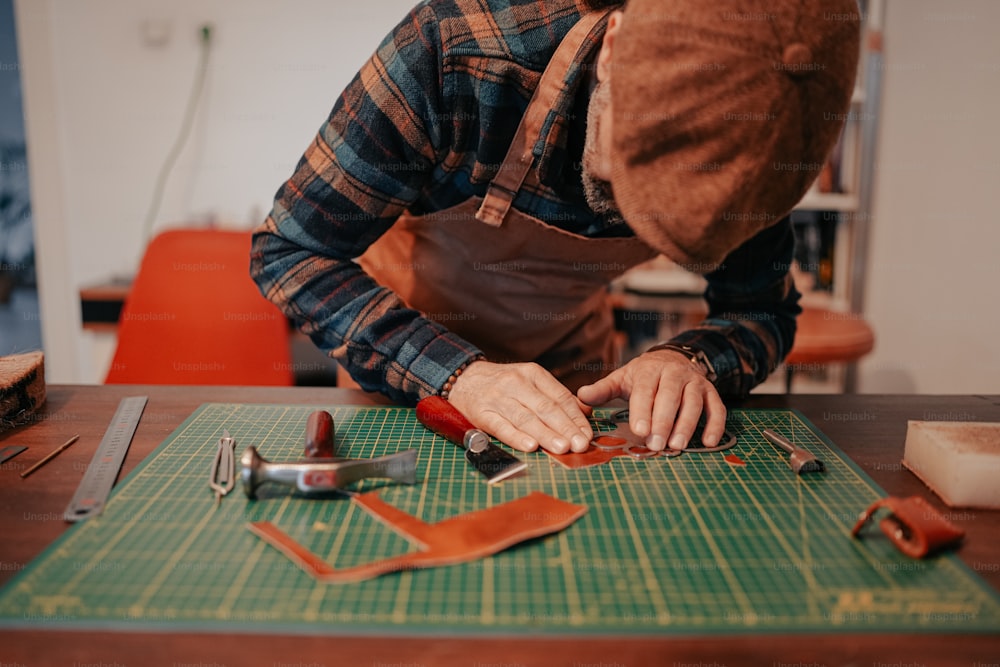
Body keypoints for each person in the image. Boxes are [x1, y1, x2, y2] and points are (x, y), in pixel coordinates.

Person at [251, 0, 860, 456]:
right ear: (616, 47)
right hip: (407, 379)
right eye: (632, 179)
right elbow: (290, 252)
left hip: (574, 381)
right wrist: (458, 374)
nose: (623, 219)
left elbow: (762, 311)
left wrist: (693, 360)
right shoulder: (452, 54)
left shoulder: (769, 133)